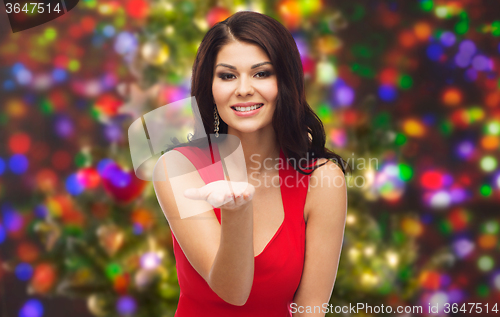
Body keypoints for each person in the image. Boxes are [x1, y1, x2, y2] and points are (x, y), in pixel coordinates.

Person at [153, 11, 348, 317]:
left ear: (285, 82)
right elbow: (232, 291)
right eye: (227, 76)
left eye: (261, 73)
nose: (243, 89)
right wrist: (237, 211)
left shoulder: (321, 179)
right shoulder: (178, 168)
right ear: (211, 87)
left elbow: (310, 311)